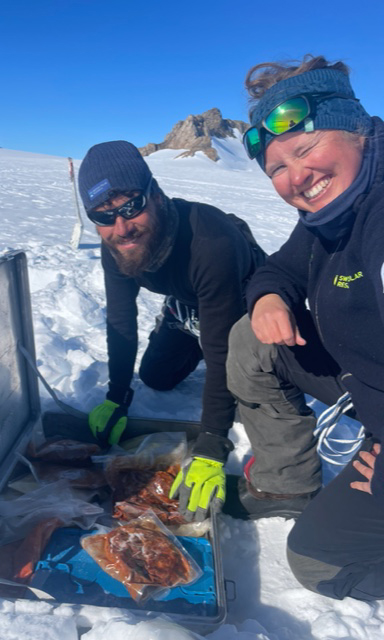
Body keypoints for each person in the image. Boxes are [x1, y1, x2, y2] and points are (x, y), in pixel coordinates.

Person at [226, 54, 384, 600]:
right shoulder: (331, 215)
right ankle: (288, 484)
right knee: (252, 337)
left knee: (318, 562)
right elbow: (281, 267)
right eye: (276, 170)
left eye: (304, 149)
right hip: (371, 385)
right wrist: (270, 296)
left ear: (356, 129)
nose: (295, 178)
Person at [78, 140, 266, 521]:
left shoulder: (211, 242)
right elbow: (120, 319)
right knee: (156, 377)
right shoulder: (115, 242)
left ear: (157, 195)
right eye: (103, 216)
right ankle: (184, 319)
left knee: (252, 398)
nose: (122, 227)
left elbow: (220, 351)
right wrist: (117, 395)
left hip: (244, 301)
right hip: (190, 303)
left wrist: (213, 441)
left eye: (132, 206)